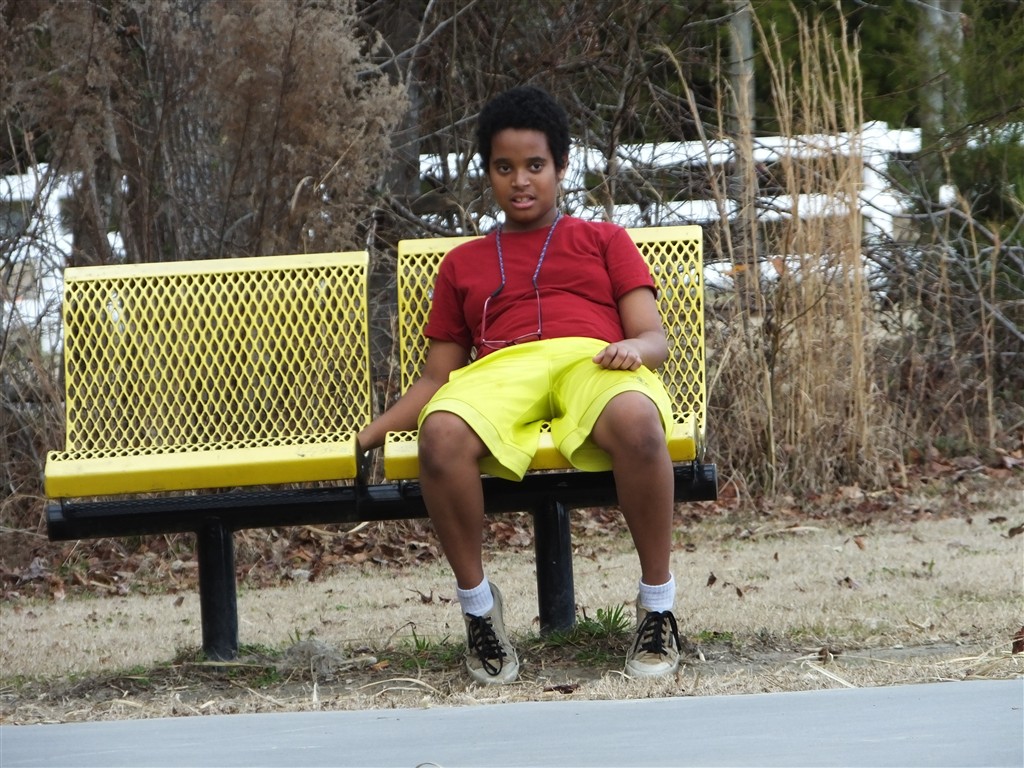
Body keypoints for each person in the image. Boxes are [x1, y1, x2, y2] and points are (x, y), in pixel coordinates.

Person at [358, 85, 681, 685]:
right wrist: (369, 435)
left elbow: (653, 338)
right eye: (504, 168)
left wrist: (633, 349)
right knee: (441, 435)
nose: (521, 181)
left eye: (535, 165)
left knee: (639, 423)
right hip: (500, 370)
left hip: (591, 360)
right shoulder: (463, 263)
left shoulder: (604, 241)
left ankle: (657, 606)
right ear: (488, 173)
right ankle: (480, 610)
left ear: (561, 166)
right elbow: (437, 377)